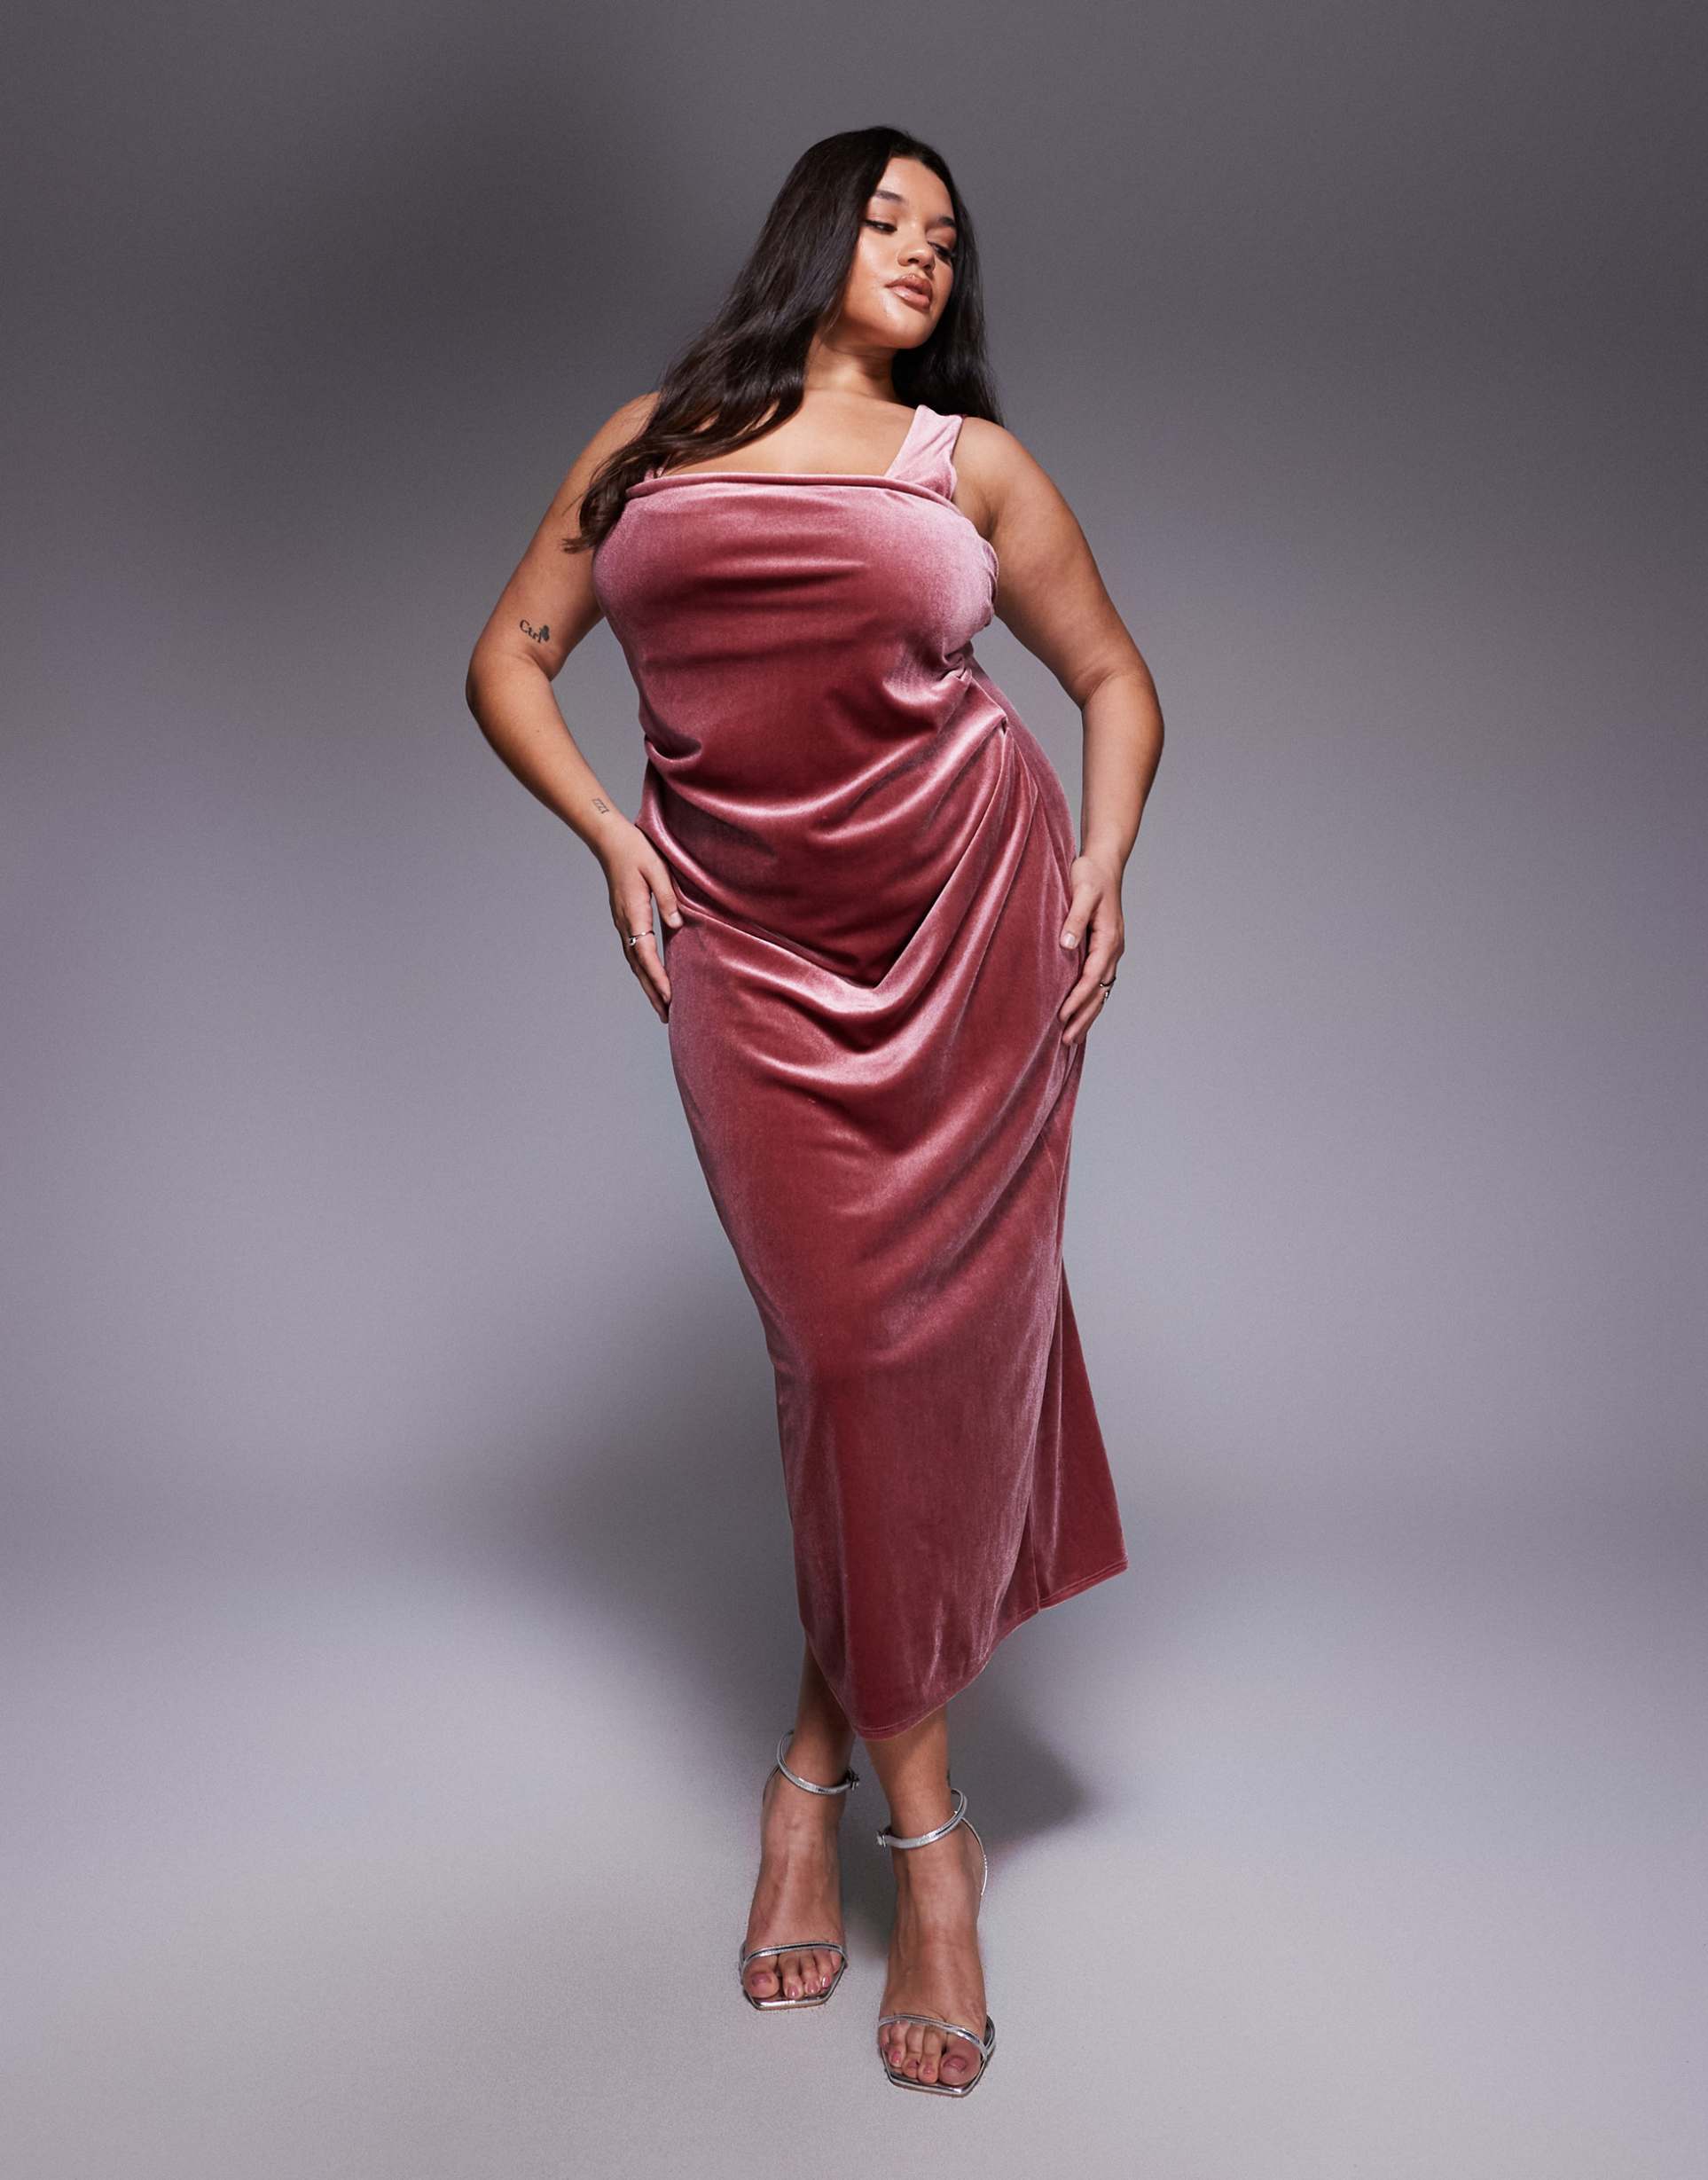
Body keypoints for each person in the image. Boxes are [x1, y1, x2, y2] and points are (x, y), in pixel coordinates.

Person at [465, 125, 1163, 2097]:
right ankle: (879, 1805)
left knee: (894, 1376)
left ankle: (862, 1819)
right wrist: (610, 834)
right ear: (809, 234)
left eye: (948, 233)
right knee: (847, 1357)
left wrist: (1105, 860)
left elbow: (1114, 678)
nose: (923, 250)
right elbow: (510, 655)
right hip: (749, 953)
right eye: (885, 216)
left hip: (972, 936)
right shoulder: (653, 441)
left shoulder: (971, 464)